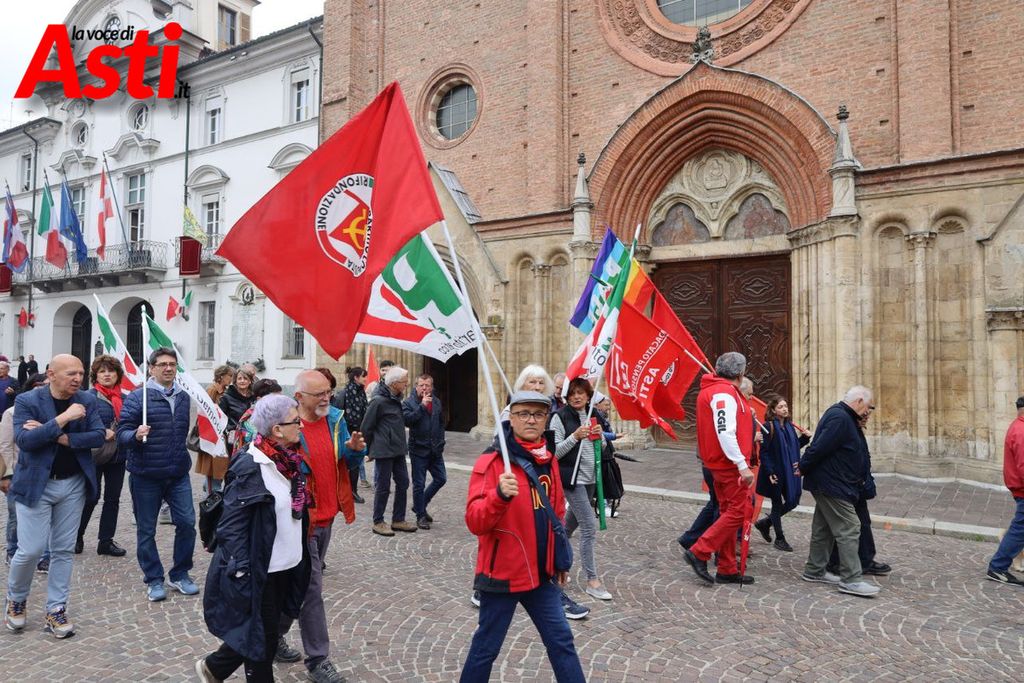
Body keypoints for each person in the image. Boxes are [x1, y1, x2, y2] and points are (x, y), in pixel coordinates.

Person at [461, 389, 586, 683]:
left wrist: (559, 560)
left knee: (561, 641)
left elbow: (556, 514)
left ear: (546, 419)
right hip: (503, 574)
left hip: (540, 575)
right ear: (512, 418)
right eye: (524, 413)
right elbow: (475, 521)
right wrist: (498, 496)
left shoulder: (548, 458)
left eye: (539, 414)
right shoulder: (492, 462)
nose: (531, 420)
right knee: (486, 648)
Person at [196, 395, 312, 683]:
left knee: (263, 632)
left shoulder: (289, 462)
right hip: (262, 569)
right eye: (296, 421)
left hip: (288, 563)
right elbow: (231, 525)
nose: (301, 425)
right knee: (262, 640)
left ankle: (215, 668)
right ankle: (219, 668)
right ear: (277, 429)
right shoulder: (251, 465)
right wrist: (242, 571)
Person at [4, 355, 105, 638]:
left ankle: (56, 609)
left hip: (73, 484)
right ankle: (16, 599)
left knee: (63, 550)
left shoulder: (87, 400)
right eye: (71, 373)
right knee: (30, 549)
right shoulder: (27, 400)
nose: (78, 378)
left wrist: (61, 437)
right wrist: (64, 418)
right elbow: (25, 441)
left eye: (81, 373)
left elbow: (99, 435)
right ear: (51, 374)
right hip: (36, 484)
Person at [276, 369, 365, 682]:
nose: (327, 398)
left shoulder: (335, 420)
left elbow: (346, 462)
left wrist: (354, 451)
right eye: (320, 394)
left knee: (297, 587)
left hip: (328, 515)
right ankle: (318, 660)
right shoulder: (287, 426)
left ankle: (272, 635)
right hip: (302, 521)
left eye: (329, 391)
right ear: (299, 397)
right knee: (312, 590)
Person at [117, 346, 199, 603]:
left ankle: (180, 574)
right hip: (146, 474)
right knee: (147, 530)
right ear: (151, 369)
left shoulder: (183, 397)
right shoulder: (137, 397)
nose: (168, 368)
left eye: (172, 364)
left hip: (177, 473)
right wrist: (135, 434)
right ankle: (153, 578)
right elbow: (121, 434)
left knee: (186, 523)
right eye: (162, 364)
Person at [681, 352, 756, 586]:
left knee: (727, 512)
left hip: (719, 463)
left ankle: (727, 568)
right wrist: (742, 465)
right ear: (740, 373)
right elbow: (725, 431)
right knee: (739, 512)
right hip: (728, 465)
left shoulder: (718, 390)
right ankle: (700, 551)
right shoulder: (723, 393)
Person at [798, 385, 880, 598]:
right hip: (831, 483)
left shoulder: (844, 416)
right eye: (869, 407)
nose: (868, 412)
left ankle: (814, 570)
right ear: (859, 401)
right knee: (850, 526)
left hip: (833, 482)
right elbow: (819, 446)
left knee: (823, 527)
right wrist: (803, 466)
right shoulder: (840, 418)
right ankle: (851, 579)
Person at [551, 377, 613, 601]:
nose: (576, 397)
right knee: (588, 527)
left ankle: (553, 565)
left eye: (581, 393)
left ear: (588, 396)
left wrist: (600, 437)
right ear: (567, 396)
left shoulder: (593, 415)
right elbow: (554, 452)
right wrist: (575, 437)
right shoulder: (559, 417)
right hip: (571, 480)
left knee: (566, 529)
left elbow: (602, 448)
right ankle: (592, 580)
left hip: (590, 478)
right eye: (572, 393)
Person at [826, 409, 891, 577]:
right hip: (844, 484)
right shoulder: (843, 426)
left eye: (868, 415)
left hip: (857, 484)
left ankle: (865, 560)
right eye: (863, 415)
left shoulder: (857, 430)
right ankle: (835, 563)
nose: (866, 418)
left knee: (863, 522)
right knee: (845, 525)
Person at [77, 355, 129, 557]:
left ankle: (105, 541)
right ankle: (76, 537)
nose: (107, 374)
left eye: (111, 371)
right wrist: (100, 431)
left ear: (118, 374)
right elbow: (79, 425)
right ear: (95, 375)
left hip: (118, 456)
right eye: (102, 371)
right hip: (94, 455)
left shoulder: (125, 398)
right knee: (91, 497)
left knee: (112, 499)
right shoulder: (87, 397)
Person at [361, 366, 417, 537]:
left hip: (398, 449)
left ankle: (398, 519)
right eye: (404, 382)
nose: (406, 384)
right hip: (384, 450)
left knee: (403, 482)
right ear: (394, 384)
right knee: (383, 486)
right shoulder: (378, 401)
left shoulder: (396, 398)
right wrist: (368, 450)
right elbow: (366, 427)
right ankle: (378, 521)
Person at [1, 374, 48, 568]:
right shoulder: (12, 413)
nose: (42, 390)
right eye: (38, 386)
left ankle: (44, 557)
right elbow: (5, 445)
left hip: (44, 471)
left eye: (45, 386)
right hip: (19, 473)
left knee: (45, 517)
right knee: (16, 515)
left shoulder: (52, 412)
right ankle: (12, 550)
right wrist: (7, 474)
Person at [753, 396, 811, 552]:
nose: (785, 409)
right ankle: (780, 538)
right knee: (777, 504)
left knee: (793, 501)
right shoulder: (768, 427)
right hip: (776, 473)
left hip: (790, 472)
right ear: (773, 410)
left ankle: (765, 523)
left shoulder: (790, 427)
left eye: (785, 406)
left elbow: (793, 448)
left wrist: (805, 438)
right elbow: (764, 453)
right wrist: (770, 472)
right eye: (780, 407)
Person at [987, 395, 1024, 585]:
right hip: (1022, 488)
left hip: (1020, 487)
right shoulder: (1021, 430)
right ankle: (998, 567)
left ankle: (998, 566)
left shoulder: (1018, 426)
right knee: (1019, 529)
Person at [403, 373, 447, 529]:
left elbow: (441, 423)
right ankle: (420, 516)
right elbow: (407, 420)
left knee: (441, 478)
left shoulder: (436, 401)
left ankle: (419, 505)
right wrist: (421, 406)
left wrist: (441, 442)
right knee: (419, 484)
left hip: (435, 449)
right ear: (416, 386)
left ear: (431, 387)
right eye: (421, 385)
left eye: (427, 385)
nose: (424, 388)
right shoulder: (408, 403)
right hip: (418, 449)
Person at [194, 364, 235, 492]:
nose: (231, 379)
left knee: (218, 469)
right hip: (213, 435)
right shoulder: (212, 390)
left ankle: (209, 487)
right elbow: (206, 412)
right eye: (230, 376)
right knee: (214, 471)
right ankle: (211, 496)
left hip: (221, 435)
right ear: (221, 376)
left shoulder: (225, 391)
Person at [332, 366, 371, 500]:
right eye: (363, 376)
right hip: (345, 433)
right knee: (345, 463)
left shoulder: (361, 392)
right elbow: (337, 413)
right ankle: (346, 491)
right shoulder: (345, 393)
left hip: (358, 431)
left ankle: (352, 491)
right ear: (356, 377)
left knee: (356, 464)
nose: (366, 379)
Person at [231, 379, 283, 455]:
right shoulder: (250, 420)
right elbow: (254, 449)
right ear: (260, 399)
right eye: (275, 399)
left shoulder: (274, 415)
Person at [220, 365, 256, 449]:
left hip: (251, 437)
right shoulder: (227, 397)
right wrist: (227, 431)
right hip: (234, 438)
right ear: (235, 381)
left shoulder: (254, 397)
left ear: (250, 381)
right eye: (239, 378)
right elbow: (221, 418)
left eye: (245, 378)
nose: (242, 381)